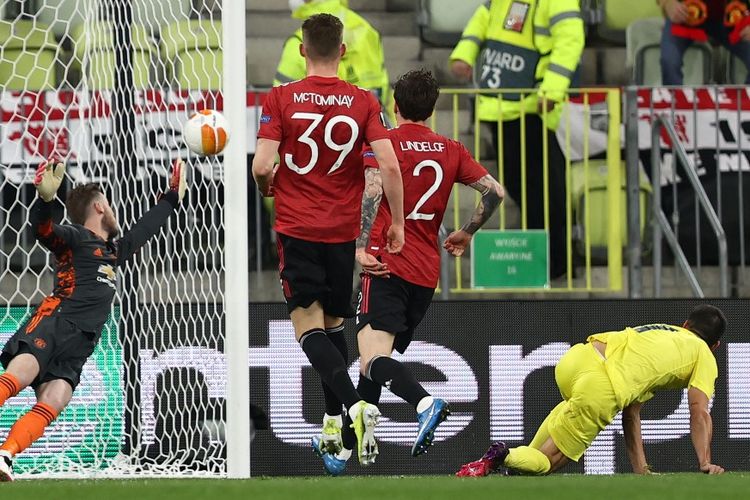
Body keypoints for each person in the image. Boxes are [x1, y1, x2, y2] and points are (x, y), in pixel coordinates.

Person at [312, 69, 505, 475]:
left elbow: (373, 188)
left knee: (370, 361)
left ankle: (423, 402)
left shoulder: (385, 143)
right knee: (375, 359)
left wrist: (361, 245)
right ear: (432, 109)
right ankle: (346, 448)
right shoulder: (451, 148)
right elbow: (495, 191)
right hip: (425, 273)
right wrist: (468, 232)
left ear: (394, 106)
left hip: (386, 262)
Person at [252, 13, 405, 466]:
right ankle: (334, 422)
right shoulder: (364, 100)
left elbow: (262, 165)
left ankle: (356, 405)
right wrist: (395, 222)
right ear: (343, 51)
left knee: (308, 328)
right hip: (342, 236)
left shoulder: (280, 97)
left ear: (302, 50)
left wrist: (267, 188)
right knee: (335, 326)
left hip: (298, 230)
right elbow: (390, 166)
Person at [0, 158, 186, 482]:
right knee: (20, 376)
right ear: (100, 207)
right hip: (54, 324)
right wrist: (44, 201)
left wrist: (171, 197)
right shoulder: (74, 238)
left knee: (55, 399)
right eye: (110, 205)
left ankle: (5, 456)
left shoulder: (113, 251)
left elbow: (146, 228)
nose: (115, 211)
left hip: (80, 346)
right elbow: (44, 232)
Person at [457, 305, 727, 477]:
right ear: (714, 345)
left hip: (577, 359)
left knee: (538, 450)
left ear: (685, 325)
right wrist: (705, 461)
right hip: (600, 385)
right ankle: (501, 455)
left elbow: (631, 415)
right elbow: (699, 410)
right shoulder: (703, 353)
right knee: (547, 463)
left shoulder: (661, 333)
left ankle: (514, 464)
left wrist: (641, 470)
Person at [449, 0, 584, 279]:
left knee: (545, 191)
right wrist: (463, 54)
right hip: (501, 107)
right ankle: (543, 260)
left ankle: (557, 262)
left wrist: (552, 90)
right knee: (520, 185)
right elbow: (481, 22)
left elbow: (570, 41)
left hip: (535, 108)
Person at [275, 0, 392, 118]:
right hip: (370, 119)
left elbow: (280, 103)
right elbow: (383, 85)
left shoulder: (301, 40)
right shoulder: (366, 30)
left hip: (323, 127)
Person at [659, 0, 750, 84]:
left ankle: (745, 100)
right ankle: (674, 100)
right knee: (669, 60)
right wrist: (668, 4)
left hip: (734, 16)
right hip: (686, 14)